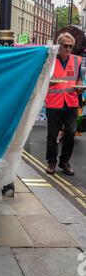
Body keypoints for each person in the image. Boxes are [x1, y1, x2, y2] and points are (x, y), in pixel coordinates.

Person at [45, 32, 83, 175]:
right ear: (59, 46)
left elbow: (78, 78)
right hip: (54, 103)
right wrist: (49, 82)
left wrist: (80, 86)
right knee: (52, 135)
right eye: (65, 46)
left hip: (71, 102)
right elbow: (43, 79)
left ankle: (64, 161)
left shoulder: (76, 60)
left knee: (71, 133)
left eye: (70, 46)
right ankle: (51, 162)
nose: (68, 49)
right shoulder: (50, 59)